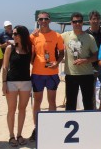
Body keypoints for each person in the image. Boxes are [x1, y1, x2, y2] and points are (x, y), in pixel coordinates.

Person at [29, 11, 64, 141]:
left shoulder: (57, 36)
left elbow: (61, 53)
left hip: (52, 74)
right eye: (41, 19)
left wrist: (57, 62)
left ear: (49, 20)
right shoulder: (33, 36)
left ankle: (52, 126)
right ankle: (37, 127)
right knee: (37, 102)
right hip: (37, 73)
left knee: (52, 101)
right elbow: (25, 51)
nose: (43, 21)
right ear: (38, 21)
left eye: (46, 19)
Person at [1, 25, 32, 147]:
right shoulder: (10, 48)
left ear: (22, 35)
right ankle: (11, 136)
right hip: (11, 82)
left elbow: (33, 61)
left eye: (15, 34)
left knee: (23, 109)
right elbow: (4, 67)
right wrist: (4, 83)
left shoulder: (29, 48)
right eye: (13, 34)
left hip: (26, 82)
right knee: (11, 110)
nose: (13, 36)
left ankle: (19, 134)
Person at [62, 12, 98, 111]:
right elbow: (50, 38)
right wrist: (36, 32)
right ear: (71, 23)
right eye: (75, 21)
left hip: (87, 74)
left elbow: (96, 56)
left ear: (83, 23)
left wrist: (86, 60)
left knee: (88, 102)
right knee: (70, 102)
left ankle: (89, 123)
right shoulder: (65, 36)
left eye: (79, 21)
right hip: (71, 74)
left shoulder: (89, 38)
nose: (77, 23)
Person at [85, 10, 101, 108]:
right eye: (93, 19)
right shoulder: (85, 34)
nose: (95, 21)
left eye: (97, 19)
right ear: (89, 20)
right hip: (90, 67)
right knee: (90, 93)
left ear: (100, 20)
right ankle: (93, 113)